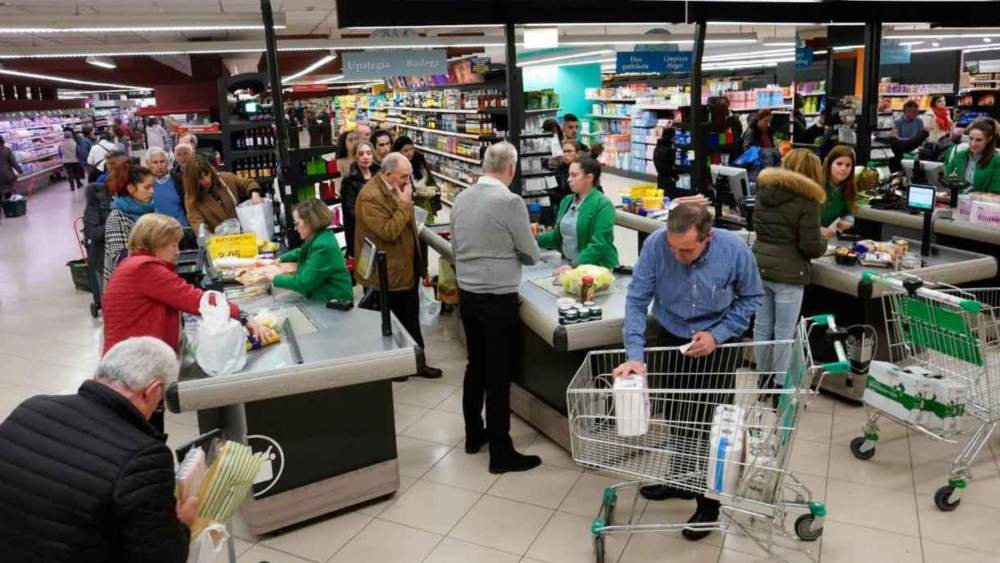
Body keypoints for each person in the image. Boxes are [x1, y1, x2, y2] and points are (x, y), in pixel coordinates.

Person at [614, 202, 763, 541]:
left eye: (687, 250)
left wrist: (718, 335)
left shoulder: (734, 250)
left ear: (707, 238)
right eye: (673, 248)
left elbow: (751, 297)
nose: (678, 256)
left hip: (718, 340)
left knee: (711, 424)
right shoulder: (656, 246)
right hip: (672, 333)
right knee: (678, 413)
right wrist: (634, 356)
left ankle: (709, 504)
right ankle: (681, 479)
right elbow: (637, 300)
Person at [0, 337, 196, 563]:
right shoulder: (144, 457)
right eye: (159, 401)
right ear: (151, 391)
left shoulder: (32, 408)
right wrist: (182, 524)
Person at [451, 142, 543, 474]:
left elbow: (456, 246)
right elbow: (530, 253)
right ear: (511, 168)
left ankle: (474, 434)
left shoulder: (462, 197)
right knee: (499, 373)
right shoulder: (509, 202)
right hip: (497, 297)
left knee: (476, 365)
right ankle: (501, 452)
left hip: (469, 295)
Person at [101, 213, 269, 355]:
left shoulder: (132, 265)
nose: (177, 252)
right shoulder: (145, 269)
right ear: (157, 244)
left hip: (128, 357)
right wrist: (244, 317)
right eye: (174, 245)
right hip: (135, 365)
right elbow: (196, 300)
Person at [354, 152, 442, 380]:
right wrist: (405, 205)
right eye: (404, 176)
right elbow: (389, 232)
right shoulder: (369, 196)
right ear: (387, 174)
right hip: (386, 271)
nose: (408, 180)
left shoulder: (397, 188)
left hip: (405, 266)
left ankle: (417, 363)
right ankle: (395, 367)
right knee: (391, 322)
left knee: (410, 317)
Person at [751, 149, 828, 383]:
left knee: (762, 327)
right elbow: (811, 247)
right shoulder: (808, 200)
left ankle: (763, 380)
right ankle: (780, 385)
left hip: (759, 267)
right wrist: (824, 240)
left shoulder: (764, 191)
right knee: (784, 333)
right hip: (789, 274)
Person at [536, 155, 618, 271]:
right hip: (571, 266)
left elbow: (600, 244)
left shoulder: (603, 205)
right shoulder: (567, 201)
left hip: (598, 270)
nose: (569, 179)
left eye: (574, 175)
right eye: (569, 174)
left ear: (589, 177)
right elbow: (557, 236)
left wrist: (574, 265)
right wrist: (534, 240)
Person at [264, 198, 353, 304]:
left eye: (297, 224)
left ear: (310, 222)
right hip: (324, 296)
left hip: (336, 303)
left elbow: (303, 283)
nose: (296, 228)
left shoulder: (323, 246)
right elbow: (301, 251)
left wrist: (275, 278)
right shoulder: (321, 236)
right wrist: (281, 259)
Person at [83, 150, 128, 296]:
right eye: (110, 165)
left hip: (133, 261)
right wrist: (118, 229)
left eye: (120, 166)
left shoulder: (137, 193)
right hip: (104, 259)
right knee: (112, 301)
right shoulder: (97, 195)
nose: (113, 169)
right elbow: (91, 231)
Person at [182, 156, 262, 234]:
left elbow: (248, 183)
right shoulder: (191, 198)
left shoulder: (227, 178)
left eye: (207, 174)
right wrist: (210, 239)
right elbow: (198, 225)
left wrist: (254, 193)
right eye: (200, 178)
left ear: (211, 170)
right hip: (219, 240)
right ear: (193, 181)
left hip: (243, 233)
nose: (206, 180)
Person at [104, 165, 156, 284]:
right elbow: (121, 259)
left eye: (152, 186)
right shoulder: (117, 217)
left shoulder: (148, 209)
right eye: (147, 187)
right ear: (131, 188)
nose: (152, 191)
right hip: (126, 285)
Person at [340, 140, 379, 259]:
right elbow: (349, 209)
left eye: (368, 153)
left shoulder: (379, 174)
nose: (365, 157)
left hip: (378, 227)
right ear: (355, 157)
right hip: (359, 230)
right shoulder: (349, 180)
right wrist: (369, 221)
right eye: (361, 154)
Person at [944, 117, 1000, 194]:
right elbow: (947, 177)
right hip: (957, 200)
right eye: (971, 138)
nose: (973, 144)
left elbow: (995, 192)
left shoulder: (996, 160)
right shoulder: (960, 155)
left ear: (989, 139)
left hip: (980, 204)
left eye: (978, 140)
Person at [144, 147, 189, 228]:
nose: (159, 166)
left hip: (182, 229)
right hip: (157, 232)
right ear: (148, 163)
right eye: (155, 162)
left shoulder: (178, 181)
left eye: (162, 161)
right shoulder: (144, 185)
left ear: (168, 162)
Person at [820, 145, 857, 238]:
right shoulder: (816, 185)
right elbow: (799, 218)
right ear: (829, 164)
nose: (843, 168)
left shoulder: (848, 187)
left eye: (848, 165)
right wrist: (817, 229)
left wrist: (848, 221)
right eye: (839, 164)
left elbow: (847, 212)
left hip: (829, 239)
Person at [551, 139, 581, 210]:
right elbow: (553, 192)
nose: (566, 154)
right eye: (564, 151)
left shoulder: (584, 168)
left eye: (569, 151)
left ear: (577, 153)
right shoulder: (558, 170)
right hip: (564, 208)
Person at [0, 135, 23, 200]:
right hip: (7, 176)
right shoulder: (7, 150)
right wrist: (20, 171)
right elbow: (14, 163)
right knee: (8, 192)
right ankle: (8, 207)